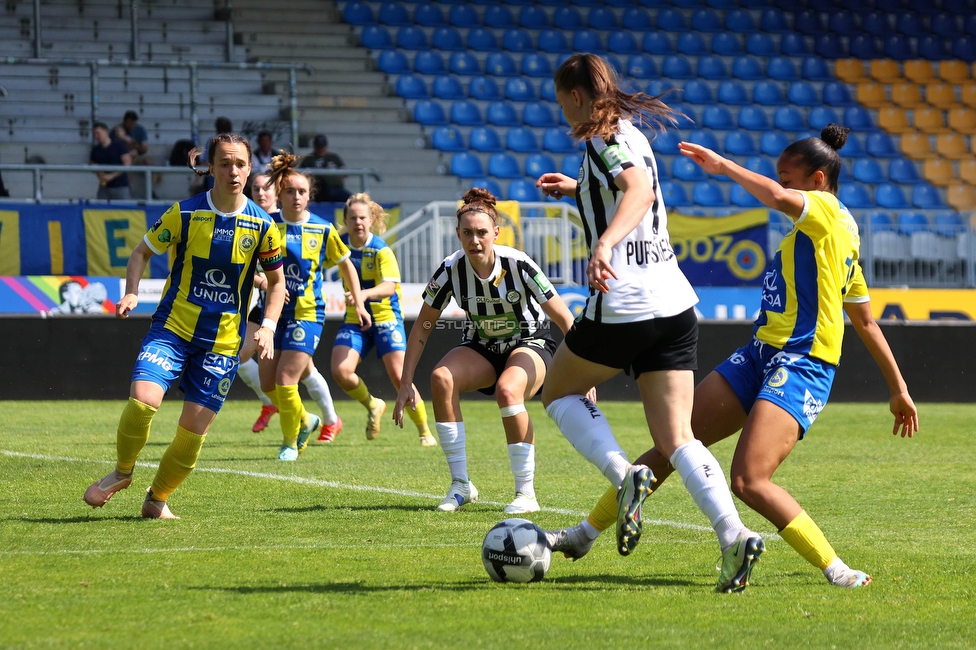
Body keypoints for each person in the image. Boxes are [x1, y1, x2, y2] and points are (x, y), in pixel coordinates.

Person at [546, 125, 920, 590]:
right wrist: (899, 390)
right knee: (673, 442)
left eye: (788, 178)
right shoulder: (829, 240)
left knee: (748, 479)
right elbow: (864, 321)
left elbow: (780, 202)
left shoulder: (827, 213)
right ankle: (585, 535)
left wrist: (723, 166)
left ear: (819, 181)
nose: (781, 186)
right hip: (759, 354)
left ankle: (836, 569)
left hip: (802, 364)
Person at [533, 54, 763, 593]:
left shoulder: (601, 137)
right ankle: (733, 536)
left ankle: (624, 475)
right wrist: (578, 189)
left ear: (575, 96)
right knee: (677, 437)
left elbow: (637, 193)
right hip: (675, 303)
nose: (561, 109)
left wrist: (605, 245)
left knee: (557, 393)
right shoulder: (631, 132)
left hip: (626, 300)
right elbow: (634, 190)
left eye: (561, 98)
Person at [82, 132, 285, 519]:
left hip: (223, 344)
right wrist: (130, 292)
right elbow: (141, 252)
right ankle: (122, 472)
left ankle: (157, 498)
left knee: (192, 435)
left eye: (240, 163)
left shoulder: (262, 226)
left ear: (250, 168)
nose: (233, 171)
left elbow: (277, 284)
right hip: (173, 329)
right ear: (209, 167)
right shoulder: (185, 212)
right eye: (224, 163)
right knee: (143, 401)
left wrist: (269, 325)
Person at [392, 187, 578, 514]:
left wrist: (584, 372)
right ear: (458, 234)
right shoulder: (450, 270)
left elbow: (564, 318)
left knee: (508, 391)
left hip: (530, 341)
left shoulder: (519, 264)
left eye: (481, 233)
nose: (475, 240)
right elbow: (422, 326)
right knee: (441, 378)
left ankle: (526, 494)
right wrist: (406, 382)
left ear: (496, 232)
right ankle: (461, 485)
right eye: (467, 233)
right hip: (482, 346)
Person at [258, 152, 370, 461]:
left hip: (307, 314)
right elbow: (251, 266)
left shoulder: (322, 228)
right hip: (273, 314)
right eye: (290, 191)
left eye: (302, 192)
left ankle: (289, 441)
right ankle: (307, 419)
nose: (296, 197)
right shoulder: (267, 225)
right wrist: (262, 281)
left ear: (310, 196)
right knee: (268, 383)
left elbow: (347, 266)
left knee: (285, 380)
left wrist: (358, 301)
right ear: (279, 193)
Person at [236, 172, 342, 435]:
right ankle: (302, 416)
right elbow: (243, 267)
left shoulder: (314, 227)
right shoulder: (257, 223)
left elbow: (343, 262)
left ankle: (321, 423)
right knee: (251, 365)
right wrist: (263, 283)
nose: (261, 193)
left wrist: (359, 298)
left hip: (302, 310)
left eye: (266, 189)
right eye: (256, 189)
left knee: (293, 376)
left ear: (275, 194)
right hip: (268, 308)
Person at [330, 193, 436, 446]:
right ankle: (373, 404)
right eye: (353, 217)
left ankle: (424, 431)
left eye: (363, 217)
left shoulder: (381, 250)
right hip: (355, 320)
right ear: (344, 220)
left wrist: (362, 294)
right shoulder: (339, 245)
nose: (358, 222)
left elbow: (389, 287)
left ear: (372, 219)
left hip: (385, 318)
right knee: (340, 371)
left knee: (400, 376)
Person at [114, 110, 158, 198]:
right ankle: (127, 192)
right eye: (129, 123)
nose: (131, 126)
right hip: (123, 158)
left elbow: (144, 149)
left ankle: (151, 190)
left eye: (133, 123)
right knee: (128, 165)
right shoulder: (117, 130)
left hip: (137, 156)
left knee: (149, 162)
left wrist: (134, 145)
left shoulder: (139, 129)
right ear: (125, 121)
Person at [297, 134, 351, 203]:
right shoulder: (308, 159)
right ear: (315, 146)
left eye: (323, 146)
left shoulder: (333, 157)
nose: (321, 149)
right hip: (316, 190)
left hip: (335, 188)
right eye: (319, 146)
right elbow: (301, 174)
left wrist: (335, 173)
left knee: (350, 199)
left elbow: (344, 172)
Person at [90, 121, 132, 200]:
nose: (96, 136)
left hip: (120, 187)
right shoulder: (95, 149)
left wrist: (112, 176)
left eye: (98, 133)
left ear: (106, 132)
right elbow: (92, 164)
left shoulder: (119, 145)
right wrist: (100, 174)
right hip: (104, 188)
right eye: (94, 134)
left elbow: (127, 163)